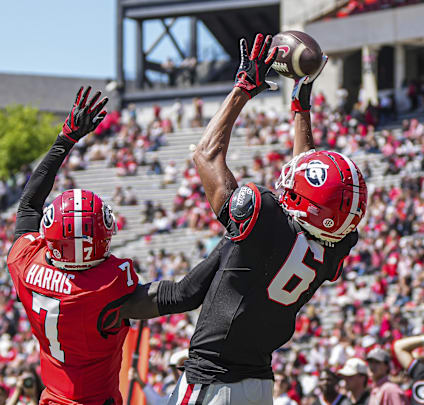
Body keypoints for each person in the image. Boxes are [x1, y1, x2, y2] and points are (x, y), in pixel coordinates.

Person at [138, 32, 365, 405]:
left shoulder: (266, 220)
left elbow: (207, 156)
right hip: (259, 383)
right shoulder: (335, 245)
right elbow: (306, 180)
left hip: (214, 382)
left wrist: (244, 87)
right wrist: (299, 105)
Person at [8, 86, 140, 405]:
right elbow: (181, 294)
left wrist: (65, 138)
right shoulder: (107, 285)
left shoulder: (26, 265)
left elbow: (28, 207)